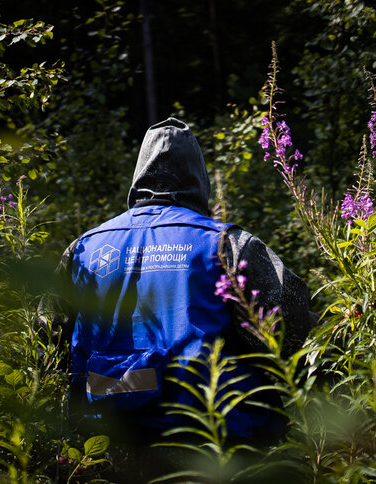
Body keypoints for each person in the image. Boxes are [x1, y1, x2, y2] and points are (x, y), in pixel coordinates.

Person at [43, 117, 319, 474]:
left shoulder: (83, 249)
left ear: (139, 177)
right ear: (198, 178)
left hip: (102, 451)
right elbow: (291, 332)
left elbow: (47, 339)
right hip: (216, 451)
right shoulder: (227, 244)